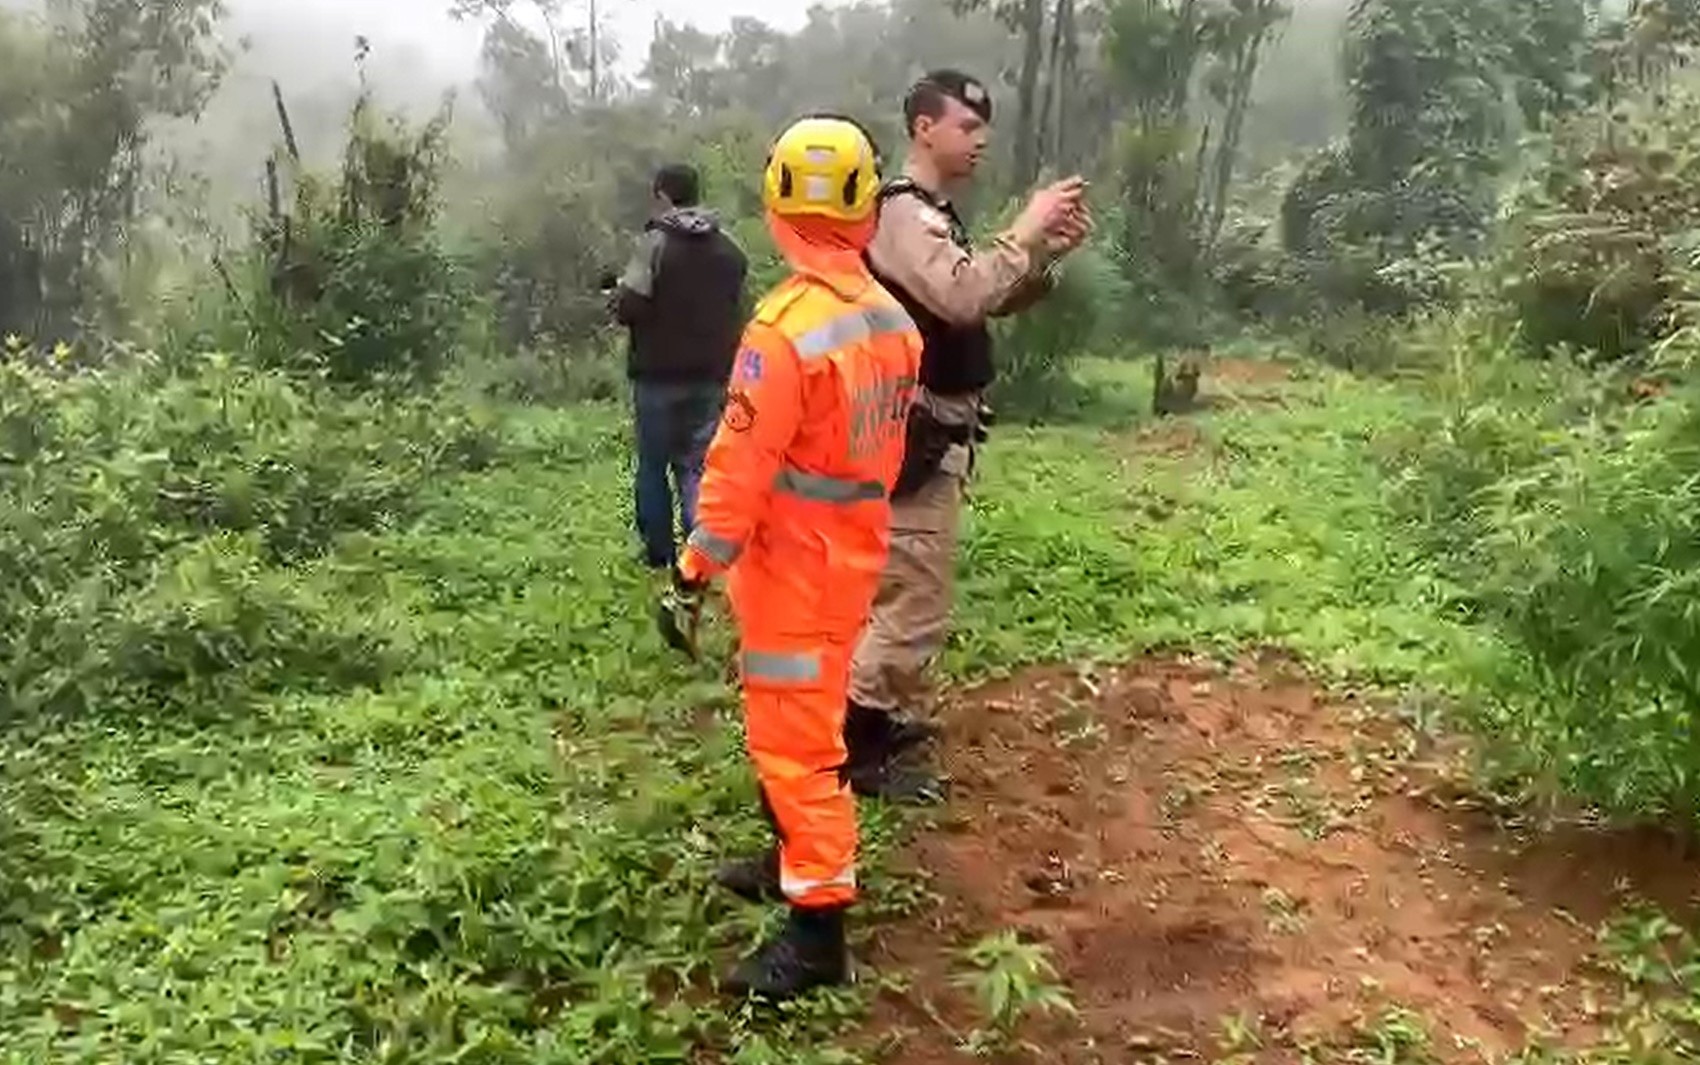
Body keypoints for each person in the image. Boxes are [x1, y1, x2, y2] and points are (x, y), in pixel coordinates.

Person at [657, 114, 922, 1001]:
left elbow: (735, 471)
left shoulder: (783, 332)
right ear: (865, 209)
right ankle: (785, 858)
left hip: (789, 575)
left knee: (797, 749)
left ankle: (817, 933)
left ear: (776, 206)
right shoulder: (892, 322)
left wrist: (692, 568)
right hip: (849, 563)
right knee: (809, 726)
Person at [843, 69, 1092, 801]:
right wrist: (1024, 227)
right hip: (909, 434)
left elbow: (984, 296)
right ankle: (852, 751)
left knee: (913, 594)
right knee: (912, 604)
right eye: (966, 127)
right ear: (925, 128)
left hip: (937, 432)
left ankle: (877, 721)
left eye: (983, 128)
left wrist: (1042, 252)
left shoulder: (934, 216)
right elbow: (961, 294)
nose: (980, 140)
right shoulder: (899, 214)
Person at [613, 163, 749, 570]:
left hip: (657, 375)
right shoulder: (730, 245)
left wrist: (616, 294)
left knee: (654, 464)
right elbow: (738, 304)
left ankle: (659, 555)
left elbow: (630, 306)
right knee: (698, 466)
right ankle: (700, 558)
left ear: (662, 195)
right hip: (712, 374)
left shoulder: (654, 243)